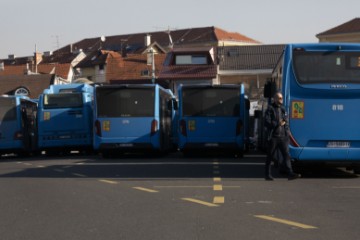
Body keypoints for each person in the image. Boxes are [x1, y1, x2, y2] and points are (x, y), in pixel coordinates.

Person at [264, 92, 300, 181]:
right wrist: (277, 124)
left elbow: (286, 122)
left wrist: (287, 132)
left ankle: (290, 173)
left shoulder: (283, 109)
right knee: (270, 156)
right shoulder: (270, 109)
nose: (281, 100)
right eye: (280, 98)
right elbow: (267, 122)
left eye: (282, 98)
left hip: (283, 137)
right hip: (273, 137)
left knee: (286, 155)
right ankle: (267, 175)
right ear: (275, 99)